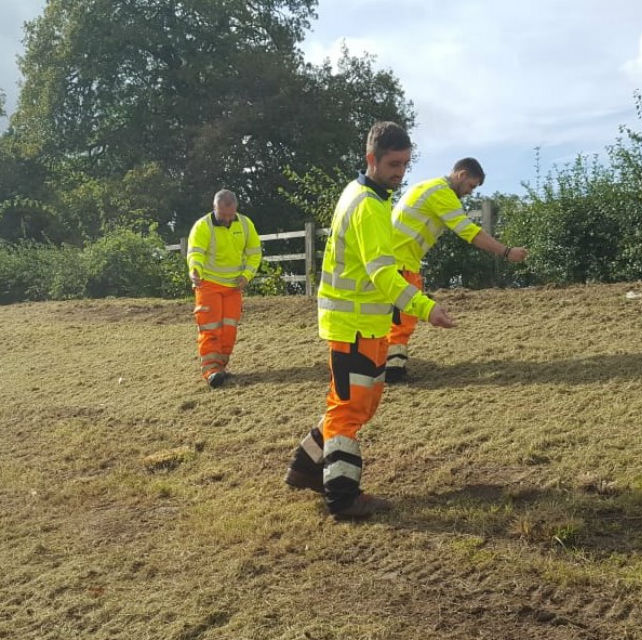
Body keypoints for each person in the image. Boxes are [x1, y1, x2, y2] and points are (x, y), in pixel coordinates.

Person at [284, 121, 455, 519]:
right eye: (393, 163)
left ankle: (305, 468)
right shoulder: (369, 206)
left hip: (359, 323)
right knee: (350, 409)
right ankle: (342, 498)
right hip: (356, 325)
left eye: (405, 164)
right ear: (371, 159)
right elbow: (383, 274)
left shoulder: (361, 194)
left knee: (351, 404)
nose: (400, 172)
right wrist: (427, 308)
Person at [385, 158, 527, 383]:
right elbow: (470, 232)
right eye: (471, 185)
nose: (470, 192)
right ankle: (392, 370)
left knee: (393, 317)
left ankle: (387, 366)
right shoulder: (443, 194)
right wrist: (506, 251)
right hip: (401, 263)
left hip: (395, 260)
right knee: (402, 319)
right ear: (461, 175)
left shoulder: (427, 186)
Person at [186, 189, 262, 388]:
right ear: (214, 208)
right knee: (210, 330)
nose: (227, 219)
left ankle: (221, 367)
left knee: (229, 330)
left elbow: (255, 253)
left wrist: (246, 276)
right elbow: (196, 253)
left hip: (234, 288)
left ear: (236, 209)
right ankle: (211, 371)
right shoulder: (202, 227)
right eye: (223, 215)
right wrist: (195, 271)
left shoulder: (245, 224)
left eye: (231, 215)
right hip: (208, 285)